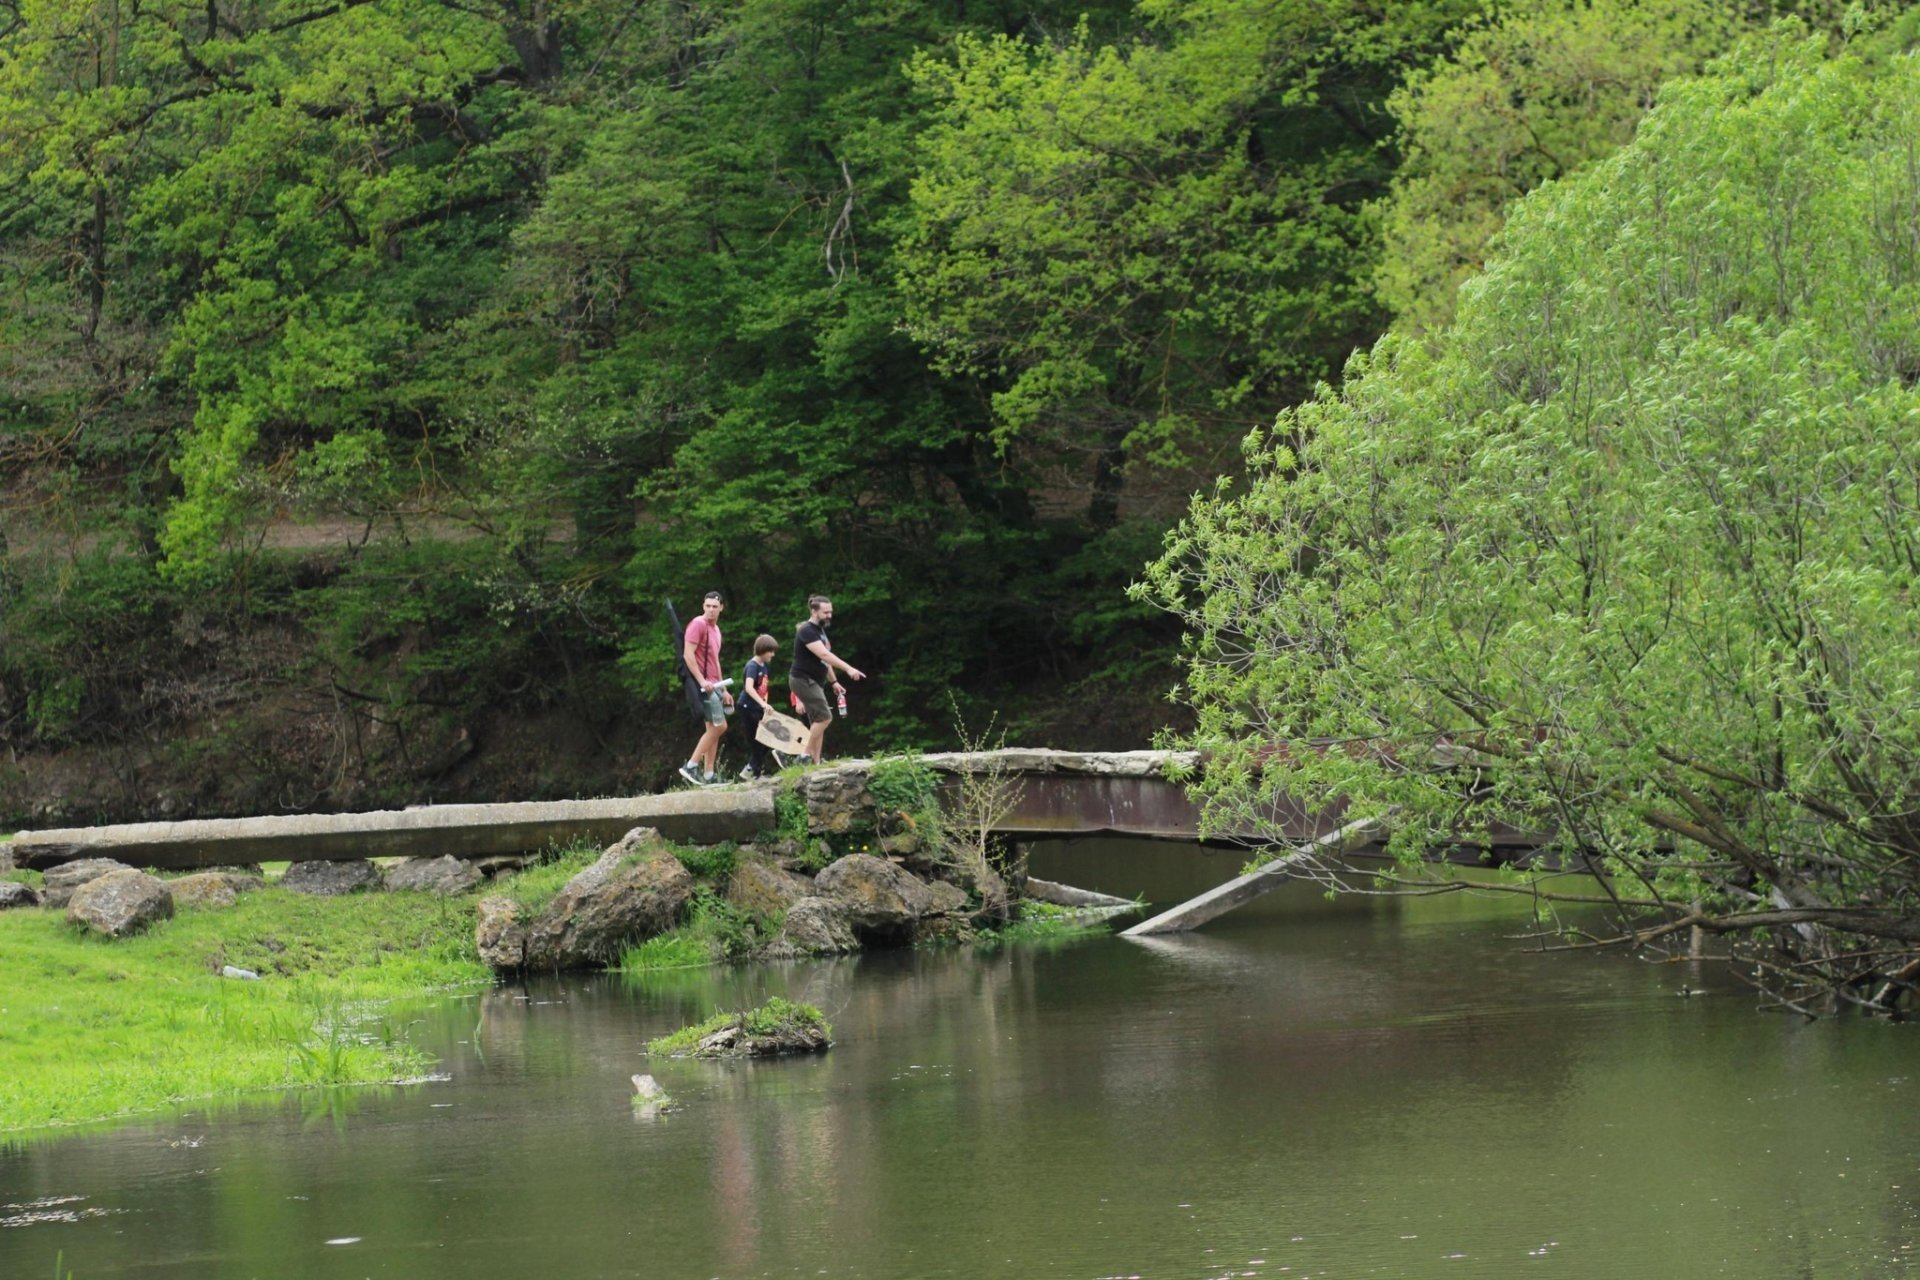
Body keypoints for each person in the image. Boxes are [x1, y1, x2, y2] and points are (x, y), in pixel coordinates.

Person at [788, 594, 864, 764]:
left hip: (814, 681)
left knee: (818, 720)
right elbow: (824, 654)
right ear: (814, 612)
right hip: (802, 680)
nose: (829, 615)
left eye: (830, 612)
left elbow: (824, 660)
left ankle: (816, 761)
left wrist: (834, 682)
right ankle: (804, 756)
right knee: (824, 718)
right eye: (826, 612)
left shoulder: (819, 631)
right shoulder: (806, 630)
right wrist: (848, 668)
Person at [678, 591, 732, 786]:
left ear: (721, 608)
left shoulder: (716, 630)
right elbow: (688, 654)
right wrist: (701, 681)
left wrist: (723, 688)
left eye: (714, 607)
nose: (711, 610)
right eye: (707, 606)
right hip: (703, 686)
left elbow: (715, 659)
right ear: (703, 606)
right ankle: (691, 765)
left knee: (713, 729)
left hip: (715, 684)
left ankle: (709, 775)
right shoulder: (698, 624)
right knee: (720, 726)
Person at [735, 633, 779, 780]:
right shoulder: (752, 666)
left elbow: (763, 688)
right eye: (770, 651)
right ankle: (755, 773)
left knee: (767, 739)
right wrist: (763, 704)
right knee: (758, 741)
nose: (773, 654)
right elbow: (749, 687)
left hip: (758, 707)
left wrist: (765, 706)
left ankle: (751, 769)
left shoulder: (765, 666)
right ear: (762, 649)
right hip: (747, 706)